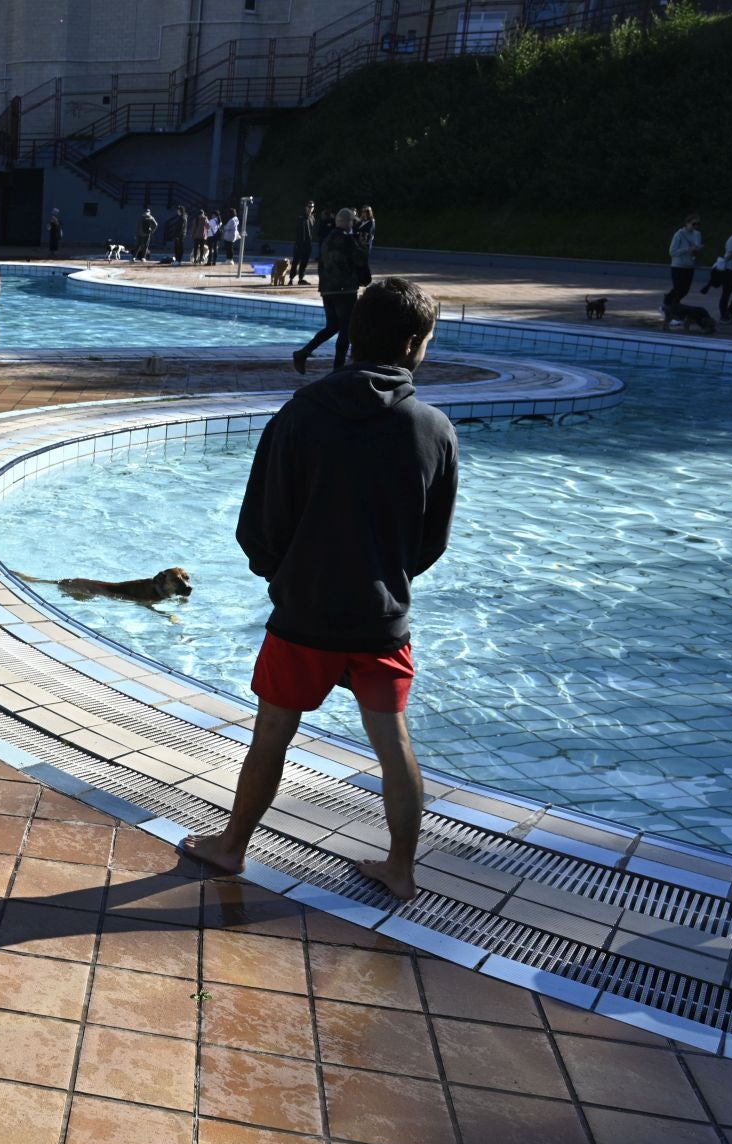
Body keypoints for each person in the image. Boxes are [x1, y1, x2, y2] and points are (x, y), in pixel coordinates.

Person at [183, 277, 457, 902]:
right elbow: (431, 542)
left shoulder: (301, 414)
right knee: (395, 746)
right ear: (414, 343)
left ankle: (231, 848)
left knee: (271, 735)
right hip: (379, 618)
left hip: (303, 615)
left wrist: (287, 576)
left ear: (355, 335)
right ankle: (401, 870)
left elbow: (257, 526)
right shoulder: (433, 429)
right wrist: (388, 577)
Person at [292, 207, 370, 374]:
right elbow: (360, 259)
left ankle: (303, 353)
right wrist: (363, 244)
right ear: (348, 223)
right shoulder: (347, 240)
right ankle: (338, 369)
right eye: (352, 222)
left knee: (332, 326)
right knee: (346, 329)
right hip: (345, 289)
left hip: (328, 290)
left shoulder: (327, 239)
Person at [666, 212, 703, 312]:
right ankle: (671, 308)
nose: (695, 226)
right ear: (687, 223)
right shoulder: (679, 234)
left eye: (698, 224)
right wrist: (688, 249)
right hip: (678, 266)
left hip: (689, 265)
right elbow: (672, 252)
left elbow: (695, 250)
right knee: (678, 289)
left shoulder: (697, 234)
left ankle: (670, 305)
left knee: (685, 290)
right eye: (693, 224)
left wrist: (696, 251)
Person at [290, 200, 316, 285]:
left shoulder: (312, 218)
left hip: (308, 244)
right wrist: (298, 243)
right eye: (309, 206)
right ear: (305, 207)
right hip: (300, 244)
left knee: (304, 262)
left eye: (312, 207)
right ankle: (291, 279)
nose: (310, 208)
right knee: (295, 262)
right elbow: (297, 231)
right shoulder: (300, 217)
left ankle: (301, 279)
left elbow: (312, 231)